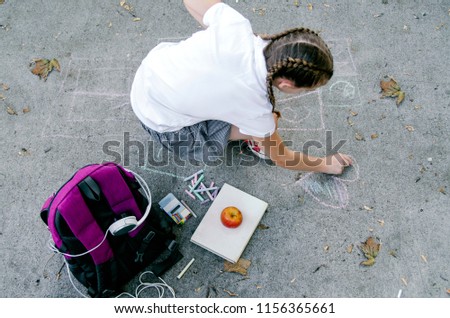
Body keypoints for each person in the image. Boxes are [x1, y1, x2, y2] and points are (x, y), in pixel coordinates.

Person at [130, 0, 352, 174]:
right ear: (286, 84)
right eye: (305, 89)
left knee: (255, 121)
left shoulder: (234, 25)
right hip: (163, 126)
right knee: (267, 126)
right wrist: (325, 165)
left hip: (145, 80)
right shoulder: (256, 107)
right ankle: (255, 140)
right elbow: (282, 157)